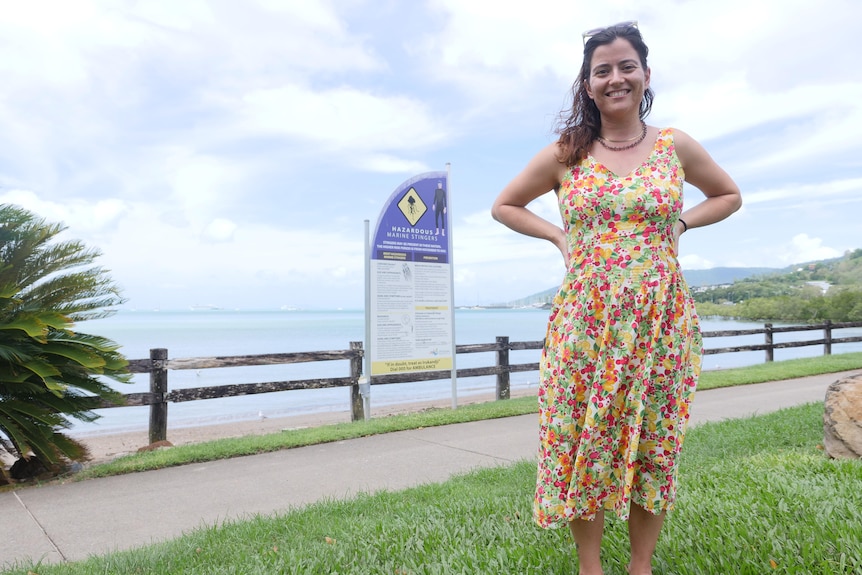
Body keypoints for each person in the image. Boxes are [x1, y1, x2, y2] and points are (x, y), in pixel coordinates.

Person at [491, 22, 742, 575]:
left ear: (645, 74)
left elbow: (728, 195)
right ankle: (590, 567)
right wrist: (559, 235)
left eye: (626, 66)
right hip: (586, 321)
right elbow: (505, 205)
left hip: (659, 320)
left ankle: (640, 566)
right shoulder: (566, 153)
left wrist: (681, 221)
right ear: (587, 84)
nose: (615, 78)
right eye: (601, 70)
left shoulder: (675, 145)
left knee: (653, 440)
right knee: (584, 435)